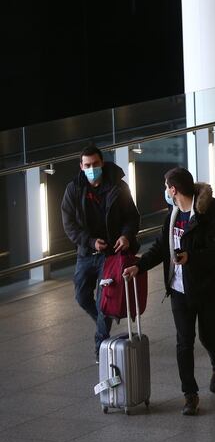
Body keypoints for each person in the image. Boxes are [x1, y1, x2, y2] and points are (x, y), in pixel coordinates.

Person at [122, 167, 215, 416]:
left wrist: (191, 256)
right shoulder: (172, 214)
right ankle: (190, 395)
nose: (165, 192)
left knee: (207, 336)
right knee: (184, 343)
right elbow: (162, 247)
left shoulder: (208, 212)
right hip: (180, 289)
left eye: (166, 187)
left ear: (174, 190)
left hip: (208, 289)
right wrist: (138, 266)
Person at [61, 144, 140, 364]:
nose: (91, 168)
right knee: (81, 296)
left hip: (112, 254)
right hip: (87, 252)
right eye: (87, 165)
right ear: (81, 166)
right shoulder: (74, 190)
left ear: (102, 163)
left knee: (103, 301)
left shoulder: (118, 186)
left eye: (95, 164)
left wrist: (126, 236)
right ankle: (102, 321)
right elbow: (69, 225)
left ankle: (101, 346)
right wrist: (90, 242)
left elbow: (132, 217)